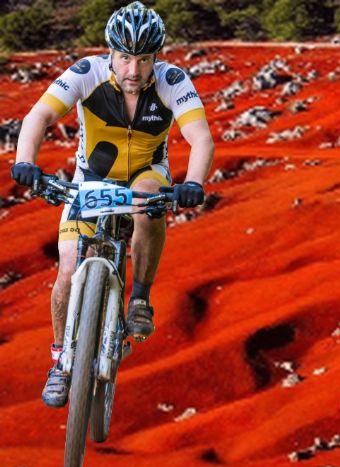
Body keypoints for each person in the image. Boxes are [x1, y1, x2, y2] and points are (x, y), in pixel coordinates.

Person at [10, 1, 215, 408]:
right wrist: (25, 161)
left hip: (145, 173)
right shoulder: (86, 73)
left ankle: (139, 299)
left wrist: (193, 182)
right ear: (110, 53)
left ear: (156, 57)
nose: (134, 70)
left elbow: (201, 138)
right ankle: (59, 361)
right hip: (91, 179)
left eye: (144, 59)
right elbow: (39, 116)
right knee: (67, 268)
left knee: (150, 200)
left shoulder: (173, 80)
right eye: (124, 58)